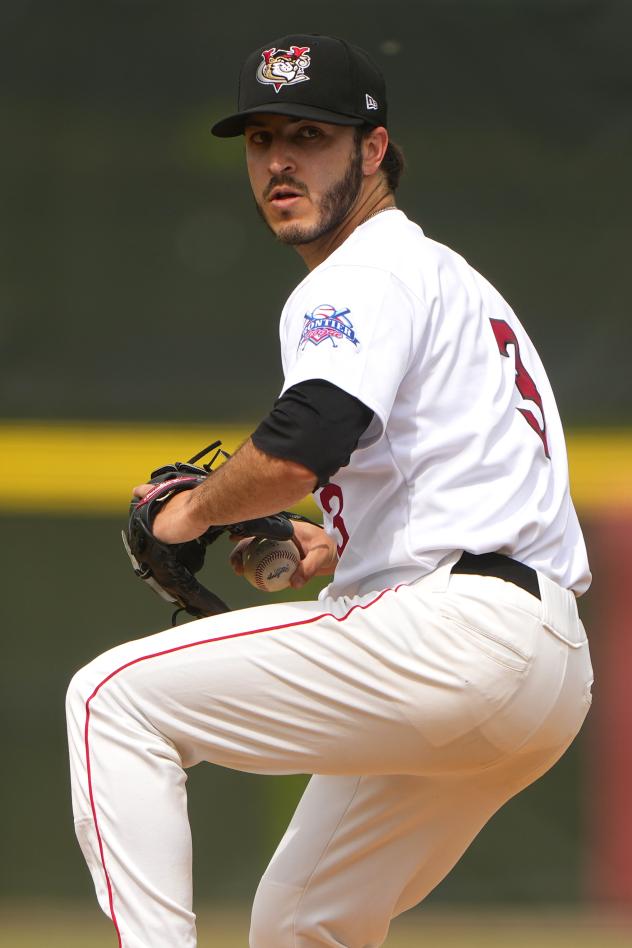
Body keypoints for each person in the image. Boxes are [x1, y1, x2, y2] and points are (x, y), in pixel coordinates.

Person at [66, 34, 593, 948]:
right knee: (303, 920)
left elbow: (303, 443)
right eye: (261, 138)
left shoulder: (361, 273)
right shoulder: (448, 280)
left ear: (373, 149)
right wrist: (340, 545)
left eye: (310, 135)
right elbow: (471, 467)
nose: (279, 160)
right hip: (542, 666)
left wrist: (184, 512)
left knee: (112, 698)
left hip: (458, 639)